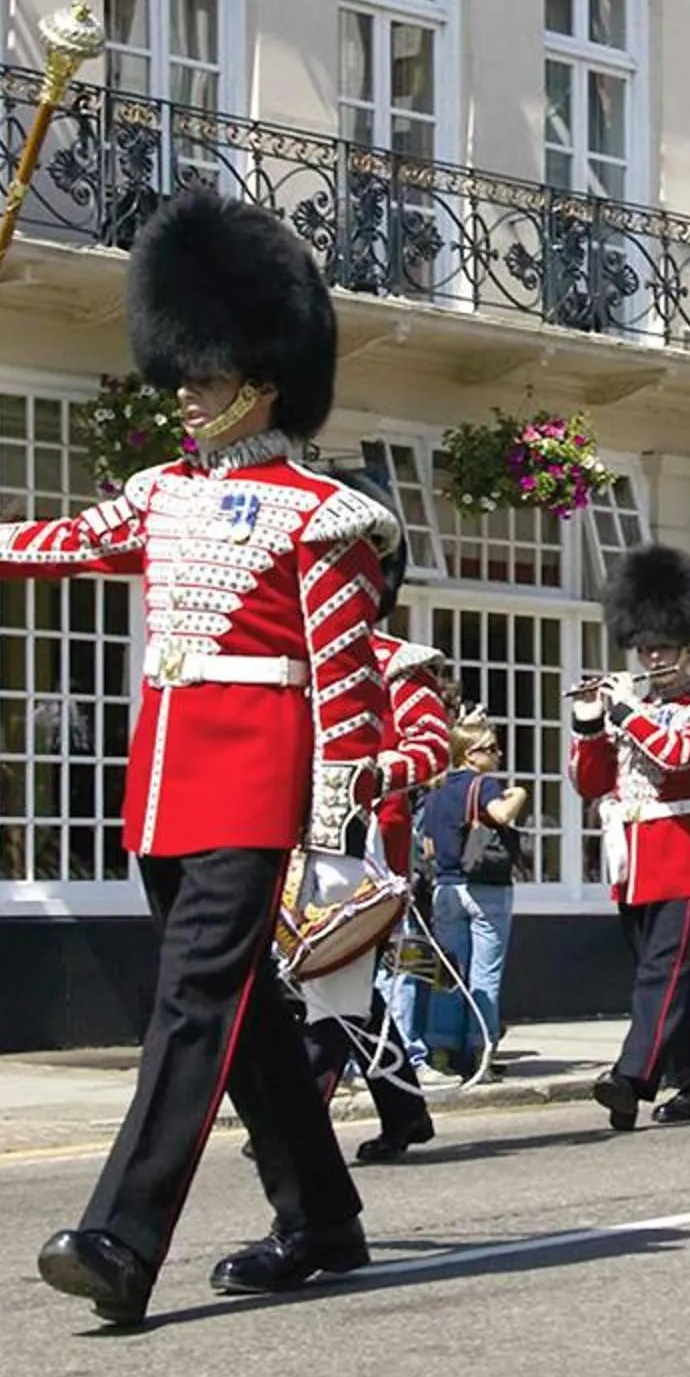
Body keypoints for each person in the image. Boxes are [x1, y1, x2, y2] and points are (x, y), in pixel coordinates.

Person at [0, 188, 394, 1327]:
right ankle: (323, 1214)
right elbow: (64, 545)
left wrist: (333, 830)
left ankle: (124, 1237)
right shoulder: (163, 494)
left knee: (187, 1007)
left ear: (261, 383)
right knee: (244, 1014)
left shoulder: (319, 515)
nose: (186, 394)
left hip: (257, 776)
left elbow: (346, 673)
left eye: (206, 377)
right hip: (167, 781)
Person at [299, 463, 452, 1163]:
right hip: (294, 843)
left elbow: (430, 749)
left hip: (364, 844)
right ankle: (404, 1110)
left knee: (334, 985)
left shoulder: (396, 663)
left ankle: (299, 1115)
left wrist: (374, 774)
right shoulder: (291, 662)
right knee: (342, 983)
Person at [575, 543, 690, 1132]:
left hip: (680, 854)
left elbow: (677, 757)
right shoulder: (628, 707)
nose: (652, 656)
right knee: (662, 976)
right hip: (630, 859)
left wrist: (625, 716)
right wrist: (589, 722)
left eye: (663, 646)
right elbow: (591, 782)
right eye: (645, 647)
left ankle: (632, 1077)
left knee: (660, 974)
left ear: (687, 648)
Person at [415, 714, 529, 1078]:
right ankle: (480, 1053)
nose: (497, 755)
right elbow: (502, 814)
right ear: (468, 754)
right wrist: (520, 793)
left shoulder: (435, 792)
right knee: (485, 974)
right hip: (485, 889)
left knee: (449, 973)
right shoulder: (484, 785)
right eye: (490, 749)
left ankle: (441, 1052)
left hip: (445, 888)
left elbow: (428, 845)